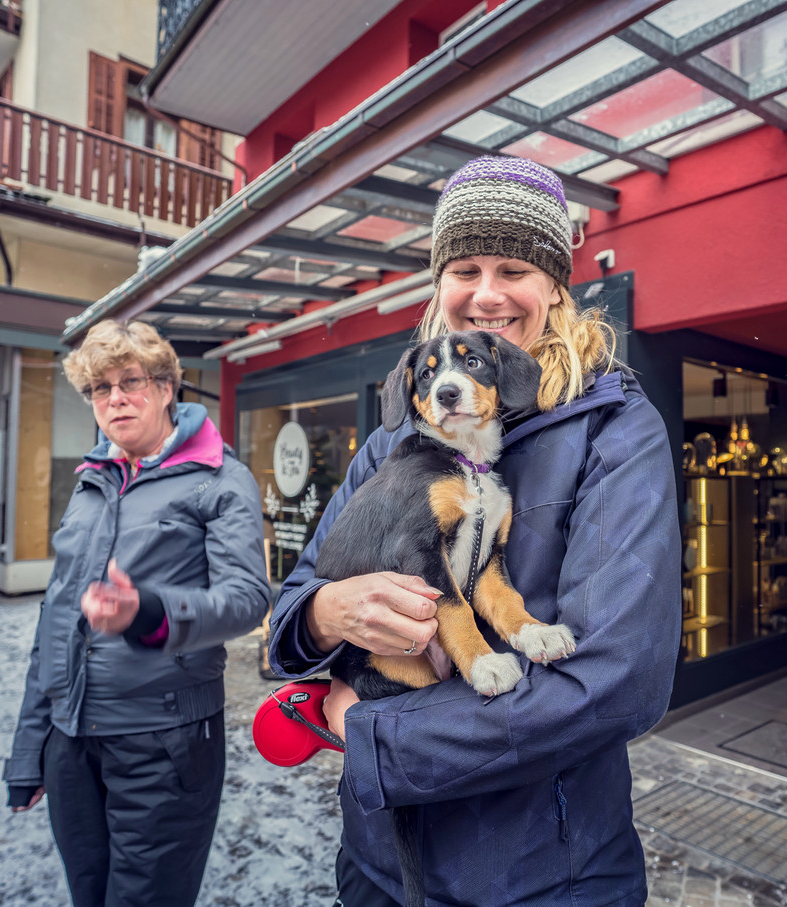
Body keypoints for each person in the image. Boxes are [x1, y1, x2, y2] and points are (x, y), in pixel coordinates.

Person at [268, 156, 681, 906]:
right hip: (378, 866)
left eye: (514, 267)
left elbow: (620, 679)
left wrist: (374, 736)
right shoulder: (392, 444)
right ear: (439, 284)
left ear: (555, 283)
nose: (486, 293)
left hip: (542, 879)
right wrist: (327, 612)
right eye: (465, 267)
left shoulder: (616, 431)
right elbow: (299, 599)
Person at [3, 320, 271, 907]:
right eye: (101, 388)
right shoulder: (92, 481)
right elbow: (54, 622)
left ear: (168, 388)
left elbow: (249, 597)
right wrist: (31, 750)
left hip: (166, 741)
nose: (116, 398)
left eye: (132, 381)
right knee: (90, 894)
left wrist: (148, 612)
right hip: (72, 738)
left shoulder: (220, 480)